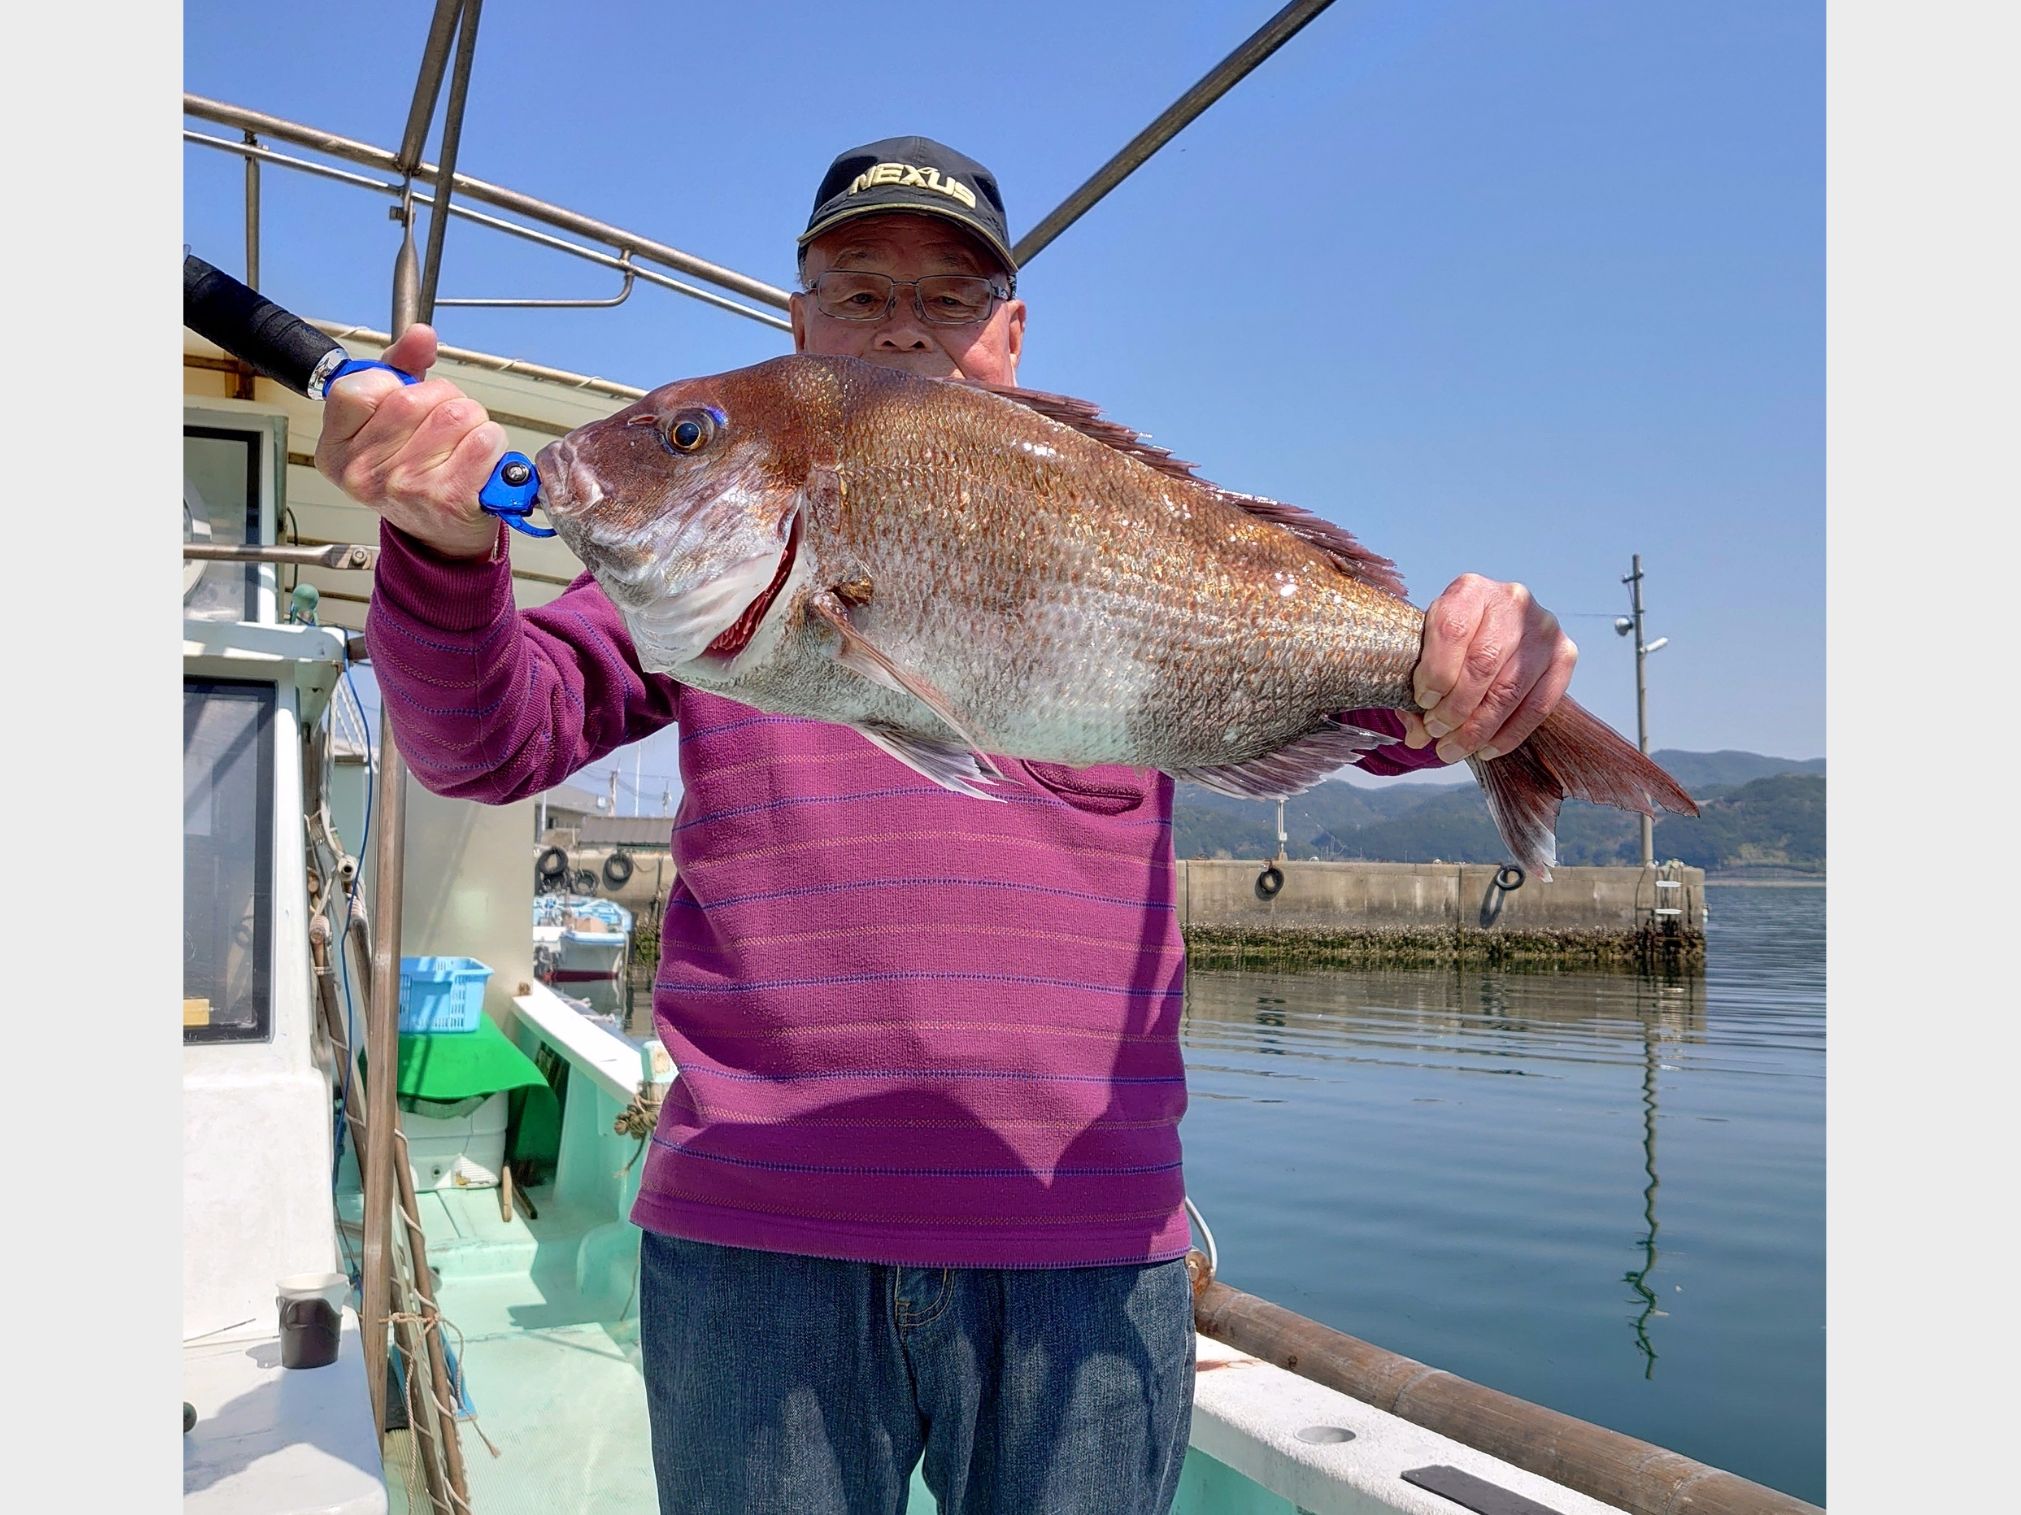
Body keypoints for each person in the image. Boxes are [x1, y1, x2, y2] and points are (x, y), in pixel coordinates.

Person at [318, 135, 1576, 1515]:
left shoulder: (1104, 508)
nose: (906, 327)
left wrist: (1484, 666)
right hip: (755, 1247)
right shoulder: (696, 594)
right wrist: (445, 550)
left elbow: (1392, 713)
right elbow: (491, 741)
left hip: (1084, 1248)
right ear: (799, 322)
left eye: (952, 298)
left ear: (1010, 333)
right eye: (860, 292)